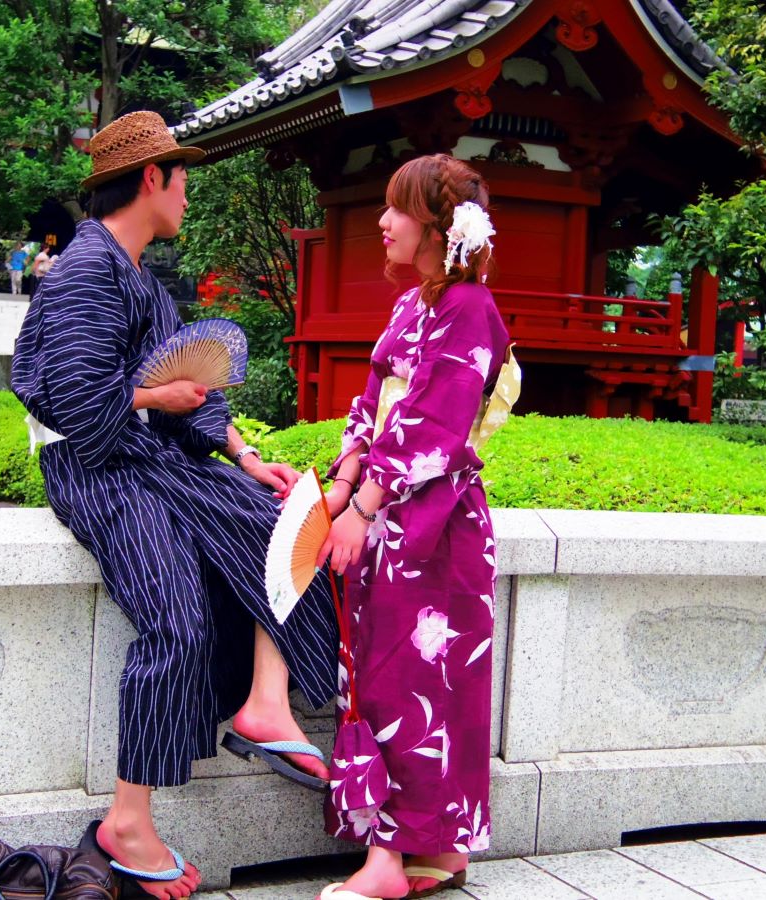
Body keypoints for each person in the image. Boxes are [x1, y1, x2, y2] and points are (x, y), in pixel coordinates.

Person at [11, 110, 338, 900]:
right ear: (152, 179)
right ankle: (129, 818)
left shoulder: (144, 283)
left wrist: (248, 456)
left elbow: (190, 403)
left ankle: (266, 702)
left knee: (288, 519)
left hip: (147, 456)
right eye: (183, 178)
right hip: (94, 467)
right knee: (177, 618)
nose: (189, 193)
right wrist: (159, 393)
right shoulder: (87, 272)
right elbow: (86, 412)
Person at [316, 154, 513, 900]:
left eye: (396, 210)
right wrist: (339, 490)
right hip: (391, 516)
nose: (382, 222)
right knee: (393, 673)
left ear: (435, 226)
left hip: (435, 524)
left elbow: (436, 424)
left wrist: (364, 506)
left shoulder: (469, 309)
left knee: (414, 680)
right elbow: (371, 406)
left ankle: (391, 860)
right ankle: (438, 851)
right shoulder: (412, 308)